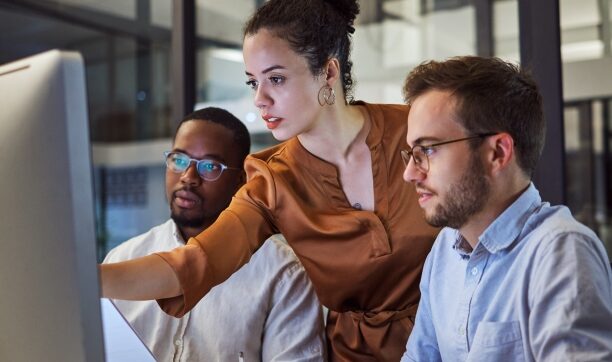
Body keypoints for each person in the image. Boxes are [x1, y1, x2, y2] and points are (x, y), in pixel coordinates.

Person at [101, 0, 439, 360]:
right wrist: (87, 280)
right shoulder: (272, 181)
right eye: (253, 82)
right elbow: (194, 263)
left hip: (457, 342)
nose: (260, 100)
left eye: (275, 79)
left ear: (328, 72)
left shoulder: (416, 131)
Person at [399, 56, 612, 361]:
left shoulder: (560, 253)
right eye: (411, 153)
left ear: (498, 152)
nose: (410, 173)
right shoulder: (444, 250)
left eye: (428, 149)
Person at [103, 107, 326, 361]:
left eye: (209, 166)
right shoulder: (122, 259)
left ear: (242, 180)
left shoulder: (283, 273)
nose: (188, 177)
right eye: (179, 160)